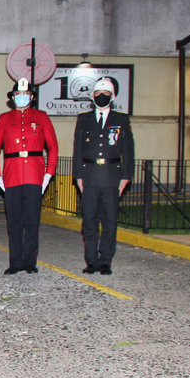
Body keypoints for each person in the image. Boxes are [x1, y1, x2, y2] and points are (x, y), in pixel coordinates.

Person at [0, 78, 58, 275]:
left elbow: (52, 147)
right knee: (14, 221)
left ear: (32, 97)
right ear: (12, 98)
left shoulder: (41, 117)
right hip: (12, 175)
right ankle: (15, 262)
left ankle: (30, 262)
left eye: (25, 95)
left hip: (35, 175)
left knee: (32, 220)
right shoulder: (4, 118)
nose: (21, 98)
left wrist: (48, 173)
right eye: (18, 95)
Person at [72, 77, 134, 275]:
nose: (101, 97)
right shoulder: (84, 119)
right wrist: (78, 176)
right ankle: (91, 261)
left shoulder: (121, 119)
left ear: (113, 96)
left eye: (106, 94)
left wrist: (126, 176)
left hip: (111, 177)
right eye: (98, 94)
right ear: (92, 96)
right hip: (89, 176)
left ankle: (106, 260)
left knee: (109, 221)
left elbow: (128, 150)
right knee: (89, 221)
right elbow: (78, 149)